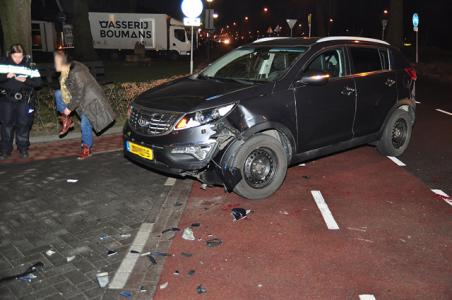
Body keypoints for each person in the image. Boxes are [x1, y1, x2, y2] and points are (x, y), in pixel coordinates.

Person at [53, 50, 116, 160]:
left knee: (84, 124)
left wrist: (69, 108)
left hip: (90, 102)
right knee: (58, 94)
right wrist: (66, 109)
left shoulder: (77, 72)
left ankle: (87, 148)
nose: (54, 64)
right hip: (81, 100)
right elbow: (69, 92)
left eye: (56, 61)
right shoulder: (65, 73)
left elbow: (79, 93)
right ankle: (67, 120)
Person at [0, 44, 42, 160]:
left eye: (20, 56)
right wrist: (5, 77)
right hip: (6, 100)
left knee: (23, 125)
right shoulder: (3, 63)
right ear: (10, 55)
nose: (18, 59)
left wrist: (26, 80)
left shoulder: (30, 65)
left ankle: (23, 149)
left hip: (24, 100)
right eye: (15, 57)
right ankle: (5, 150)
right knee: (6, 125)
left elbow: (39, 83)